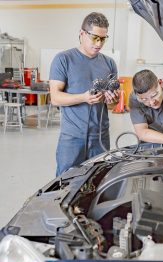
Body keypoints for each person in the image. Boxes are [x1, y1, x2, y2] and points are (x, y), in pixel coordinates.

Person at [49, 12, 119, 176]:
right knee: (65, 184)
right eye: (95, 38)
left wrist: (112, 100)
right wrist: (84, 97)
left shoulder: (109, 63)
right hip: (72, 137)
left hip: (100, 137)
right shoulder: (63, 59)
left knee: (99, 181)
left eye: (103, 39)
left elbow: (111, 105)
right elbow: (55, 98)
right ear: (82, 34)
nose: (99, 44)